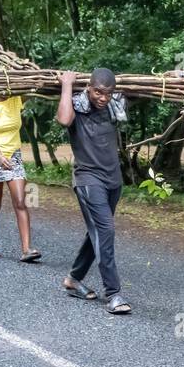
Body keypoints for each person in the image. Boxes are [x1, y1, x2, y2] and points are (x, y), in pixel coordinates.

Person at [56, 68, 130, 314]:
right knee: (105, 230)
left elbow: (147, 91)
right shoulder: (76, 103)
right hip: (88, 179)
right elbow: (64, 120)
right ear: (89, 87)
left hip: (113, 180)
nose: (103, 97)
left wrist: (171, 76)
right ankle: (114, 294)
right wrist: (67, 85)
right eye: (98, 91)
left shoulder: (114, 104)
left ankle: (74, 278)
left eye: (107, 93)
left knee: (97, 231)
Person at [0, 89, 41, 262]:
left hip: (14, 157)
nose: (6, 92)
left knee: (21, 202)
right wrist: (0, 158)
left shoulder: (15, 100)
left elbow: (34, 88)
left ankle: (27, 249)